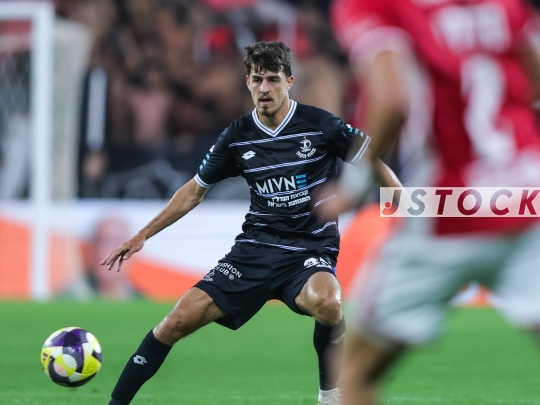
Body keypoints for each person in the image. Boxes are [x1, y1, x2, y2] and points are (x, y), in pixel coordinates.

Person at [100, 41, 401, 405]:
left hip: (308, 251)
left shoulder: (320, 124)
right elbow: (194, 191)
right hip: (254, 251)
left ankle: (330, 395)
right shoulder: (237, 136)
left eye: (273, 79)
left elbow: (371, 160)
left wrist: (404, 203)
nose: (264, 88)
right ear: (247, 82)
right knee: (176, 321)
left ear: (289, 81)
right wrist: (142, 235)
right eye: (257, 80)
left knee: (329, 301)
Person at [315, 0, 540, 404]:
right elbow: (533, 75)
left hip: (446, 208)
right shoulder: (504, 4)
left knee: (354, 373)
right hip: (527, 198)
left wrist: (353, 186)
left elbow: (392, 98)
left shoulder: (374, 6)